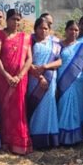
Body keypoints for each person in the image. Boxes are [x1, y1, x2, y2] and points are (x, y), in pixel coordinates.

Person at [0, 9, 33, 155]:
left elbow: (29, 59)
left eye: (18, 19)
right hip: (3, 79)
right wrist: (7, 76)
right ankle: (5, 142)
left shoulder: (25, 37)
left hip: (20, 80)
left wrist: (20, 76)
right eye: (13, 19)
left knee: (19, 110)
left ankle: (19, 143)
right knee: (5, 110)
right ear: (7, 20)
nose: (16, 22)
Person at [27, 17, 62, 149]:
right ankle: (35, 139)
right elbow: (27, 61)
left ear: (49, 30)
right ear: (35, 28)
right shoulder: (30, 41)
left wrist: (46, 67)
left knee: (48, 108)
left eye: (46, 28)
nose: (43, 30)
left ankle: (49, 139)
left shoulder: (54, 43)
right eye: (40, 28)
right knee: (36, 108)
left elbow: (59, 61)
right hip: (34, 80)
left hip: (50, 79)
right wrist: (40, 77)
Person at [57, 20, 83, 145]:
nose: (73, 32)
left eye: (76, 30)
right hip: (63, 81)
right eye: (71, 29)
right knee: (63, 107)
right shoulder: (58, 46)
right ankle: (62, 138)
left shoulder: (82, 48)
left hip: (79, 82)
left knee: (76, 109)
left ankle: (76, 138)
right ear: (66, 30)